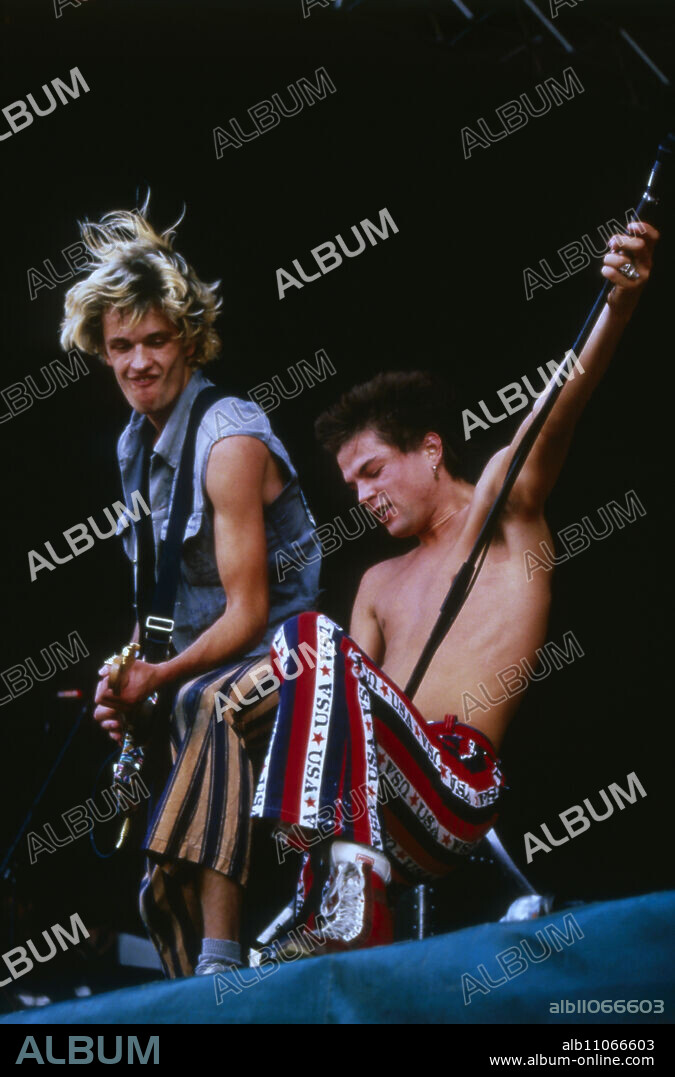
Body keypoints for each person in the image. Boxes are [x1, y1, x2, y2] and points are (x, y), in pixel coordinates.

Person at [251, 221, 659, 955]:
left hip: (458, 787)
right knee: (291, 656)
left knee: (308, 638)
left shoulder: (500, 513)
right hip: (378, 809)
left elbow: (557, 405)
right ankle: (330, 891)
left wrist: (618, 302)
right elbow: (346, 710)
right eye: (350, 485)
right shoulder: (375, 579)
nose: (362, 496)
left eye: (372, 470)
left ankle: (338, 887)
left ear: (430, 448)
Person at [59, 205, 320, 977]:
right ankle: (188, 973)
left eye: (155, 340)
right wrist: (128, 676)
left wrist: (163, 678)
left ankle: (219, 956)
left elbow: (246, 615)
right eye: (120, 346)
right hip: (201, 668)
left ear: (189, 340)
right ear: (100, 353)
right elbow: (165, 600)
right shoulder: (132, 444)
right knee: (172, 709)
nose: (138, 362)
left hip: (294, 657)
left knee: (202, 701)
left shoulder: (229, 436)